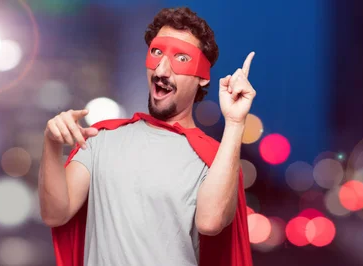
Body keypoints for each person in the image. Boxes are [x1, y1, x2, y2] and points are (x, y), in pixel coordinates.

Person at [37, 7, 255, 266]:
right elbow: (54, 213)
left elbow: (211, 222)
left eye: (181, 58)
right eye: (156, 52)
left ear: (202, 78)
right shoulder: (101, 138)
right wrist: (51, 143)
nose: (162, 69)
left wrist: (235, 121)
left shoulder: (214, 160)